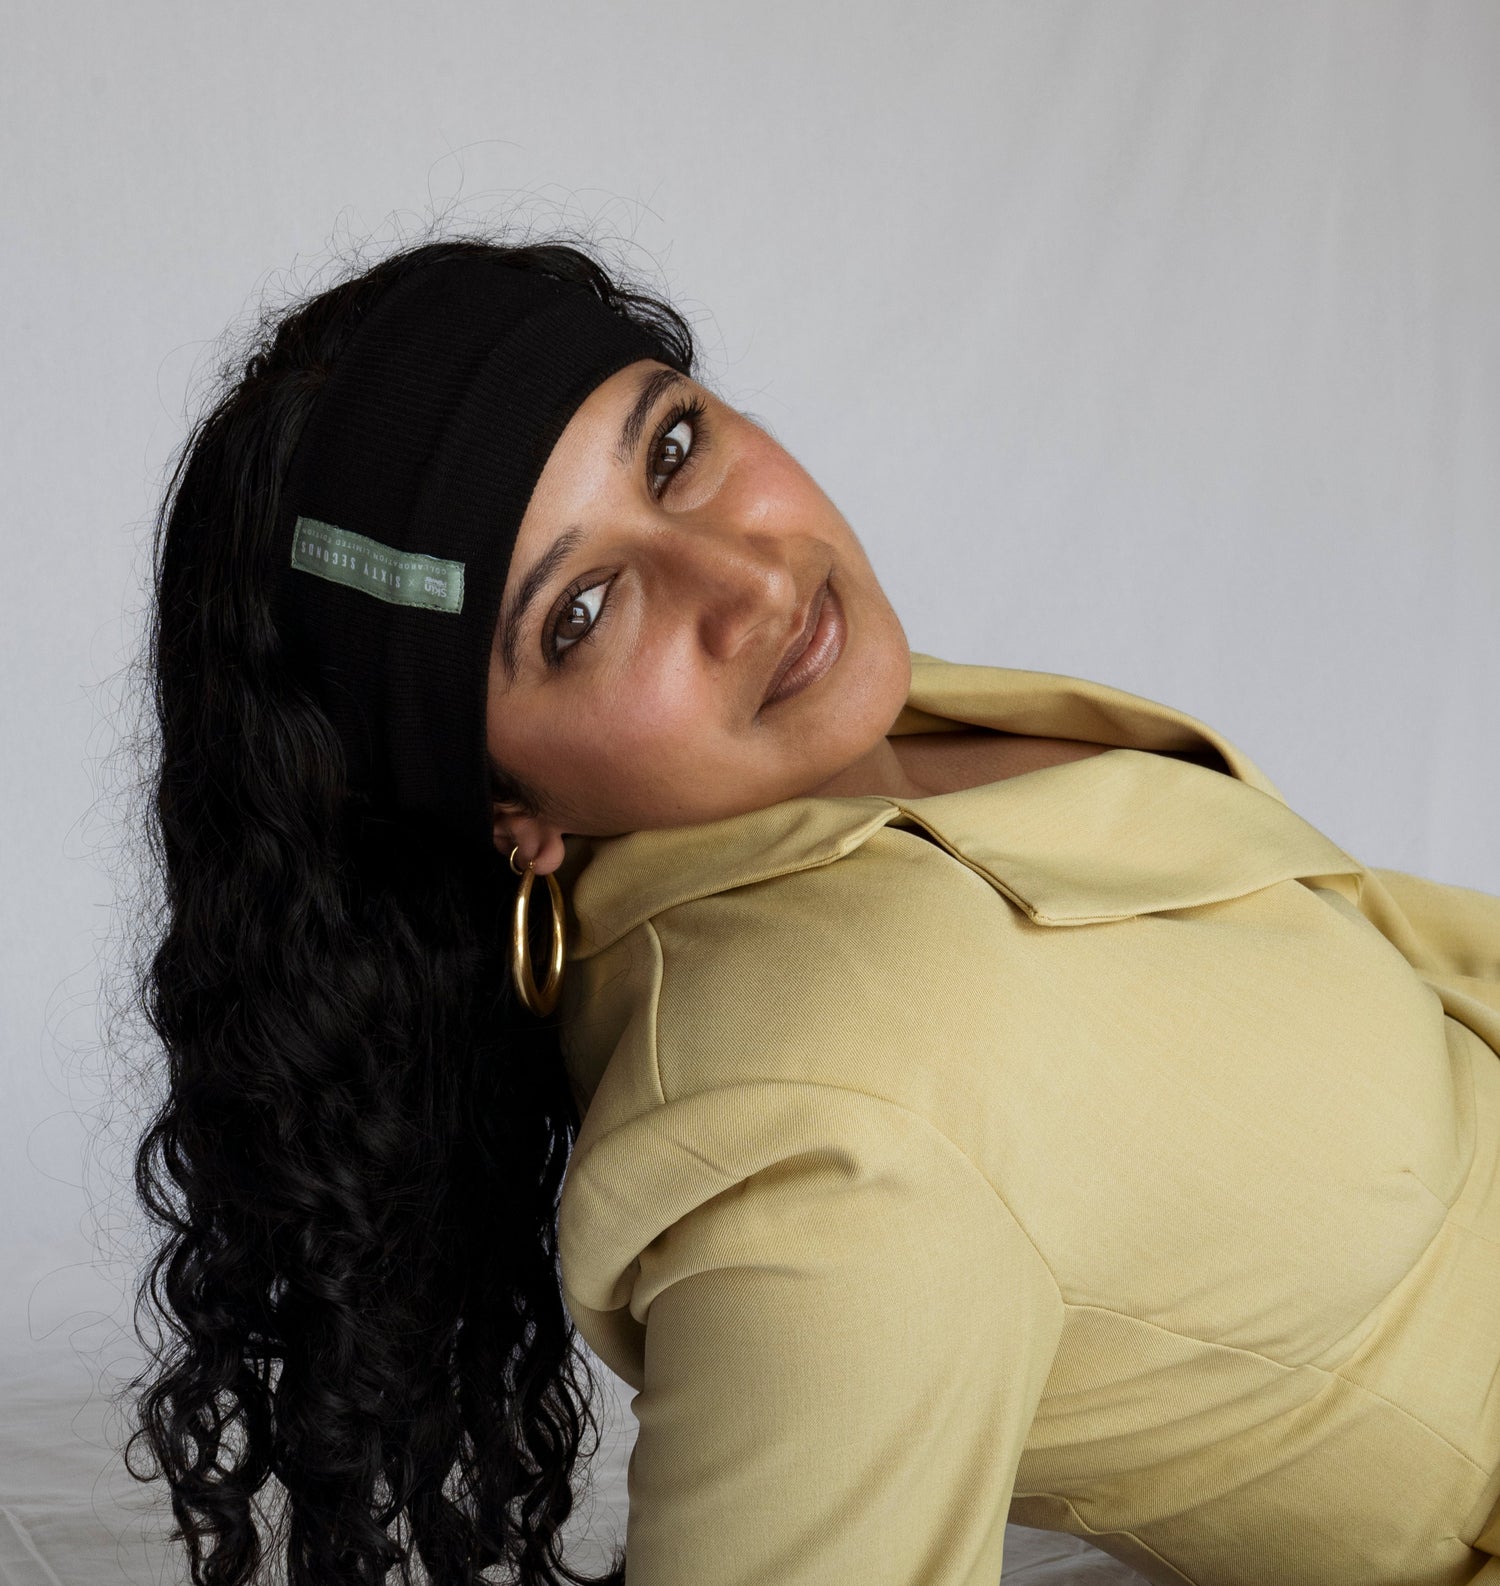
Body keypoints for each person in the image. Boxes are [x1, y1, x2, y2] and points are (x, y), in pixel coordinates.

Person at [123, 234, 1500, 1586]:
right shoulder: (810, 1129)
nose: (754, 580)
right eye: (582, 612)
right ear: (510, 815)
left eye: (669, 448)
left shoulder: (828, 739)